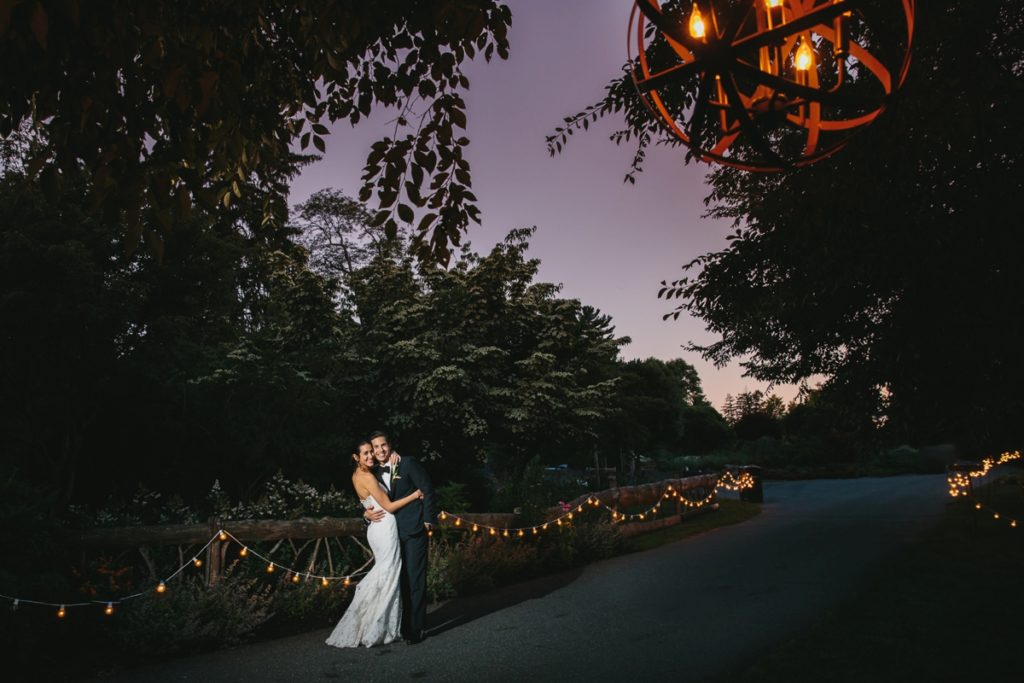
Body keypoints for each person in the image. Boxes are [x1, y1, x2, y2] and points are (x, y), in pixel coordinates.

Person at [325, 440, 423, 648]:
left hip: (375, 527)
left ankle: (380, 622)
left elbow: (369, 503)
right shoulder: (368, 477)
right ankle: (374, 625)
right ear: (356, 457)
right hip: (384, 526)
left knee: (385, 573)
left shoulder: (357, 475)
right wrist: (414, 495)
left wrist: (365, 512)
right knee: (387, 574)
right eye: (366, 453)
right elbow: (388, 505)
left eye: (372, 452)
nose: (371, 456)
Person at [363, 430, 437, 644]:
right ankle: (402, 626)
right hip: (390, 535)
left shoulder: (407, 463)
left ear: (390, 445)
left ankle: (417, 628)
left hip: (413, 530)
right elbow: (370, 501)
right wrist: (366, 515)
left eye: (383, 445)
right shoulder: (372, 473)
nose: (380, 450)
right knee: (399, 581)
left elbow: (428, 489)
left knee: (415, 580)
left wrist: (428, 519)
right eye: (375, 447)